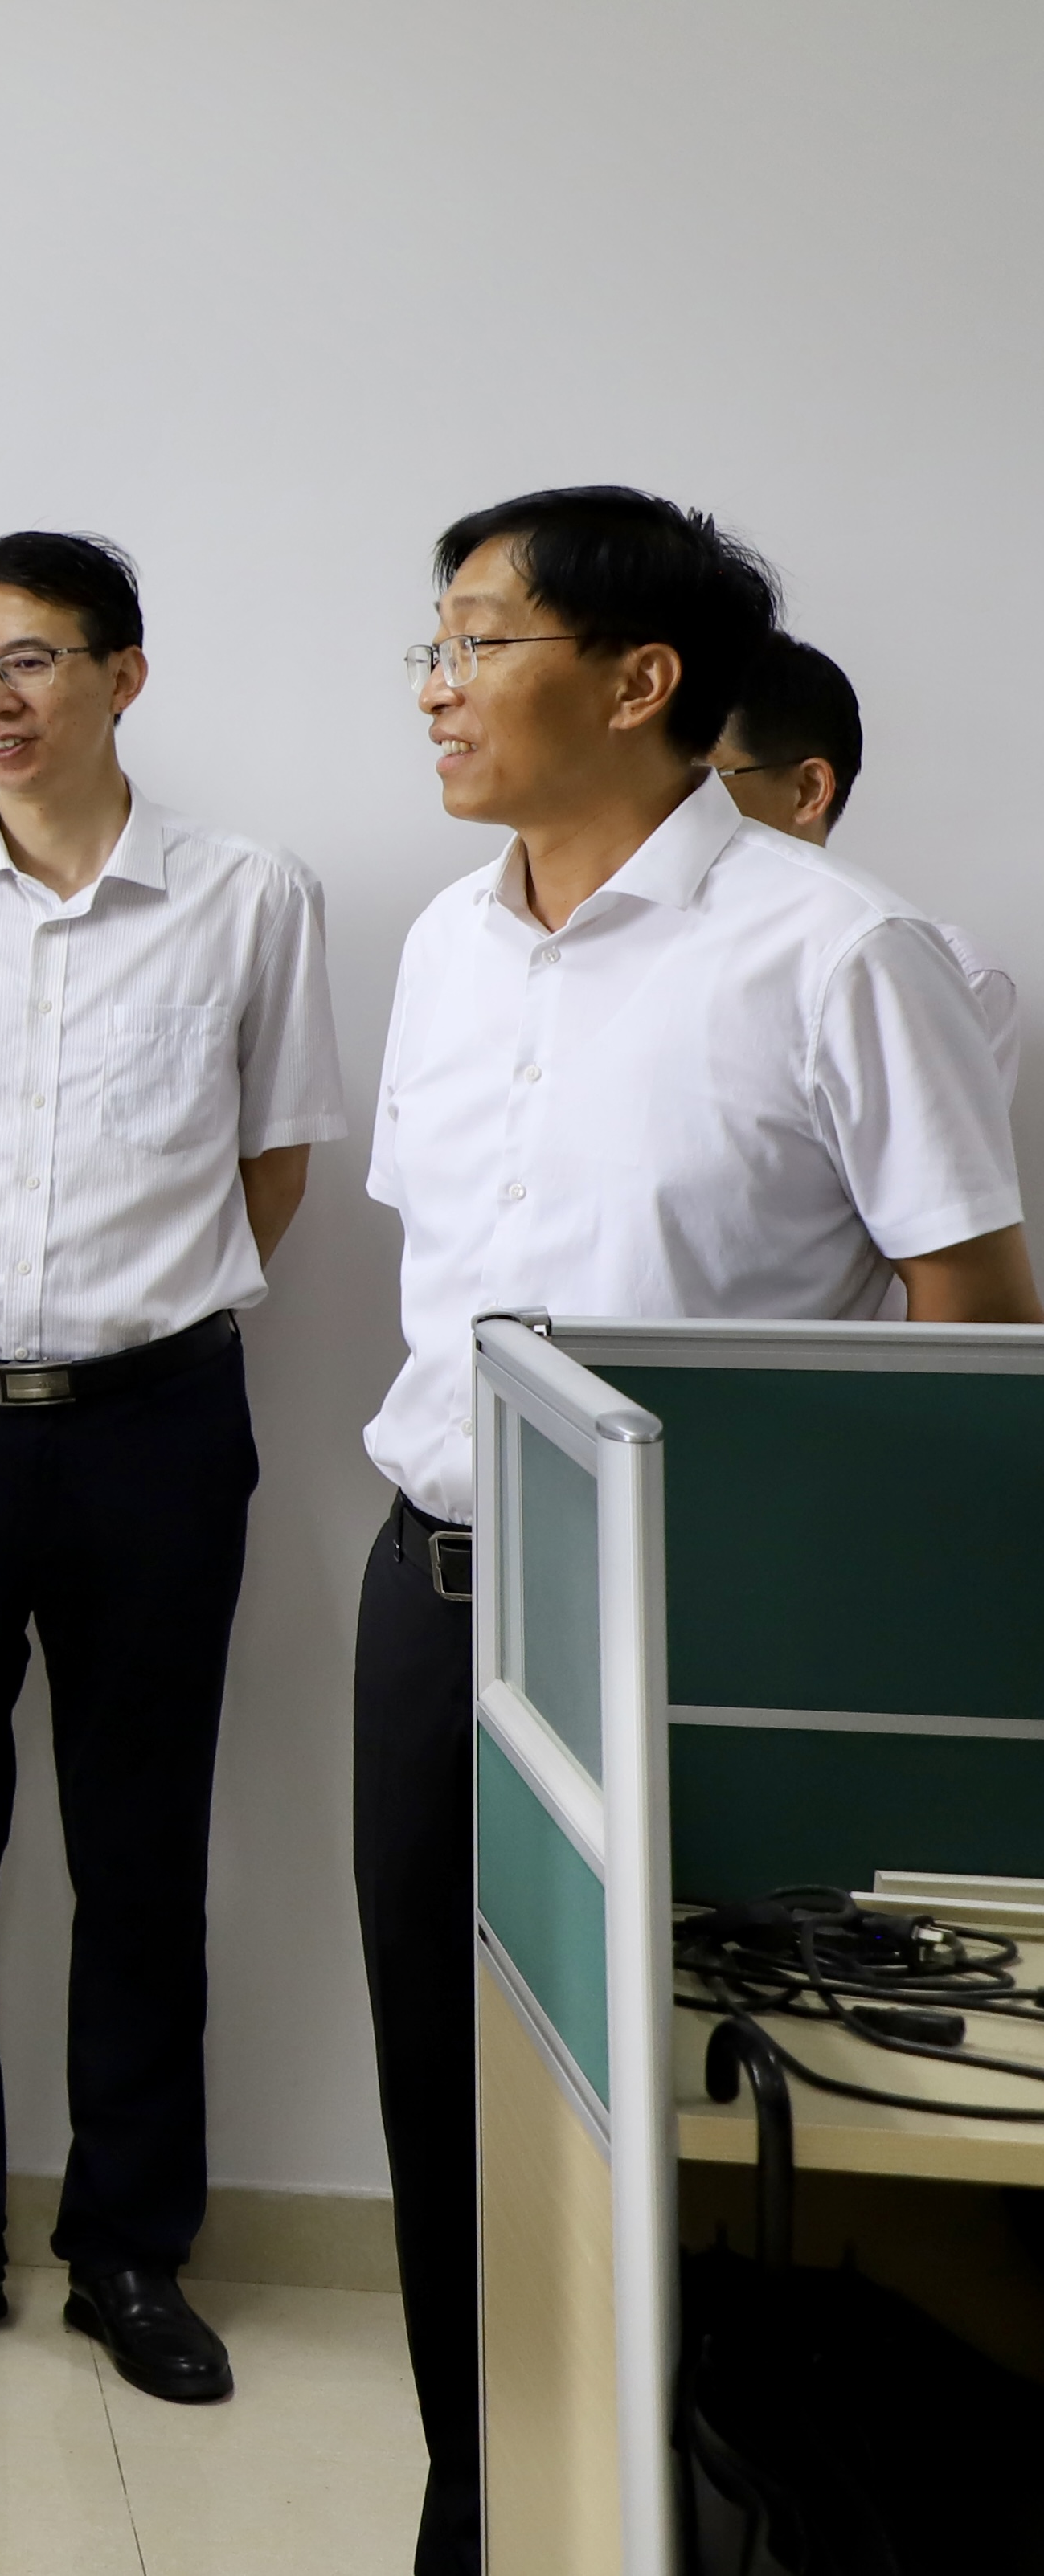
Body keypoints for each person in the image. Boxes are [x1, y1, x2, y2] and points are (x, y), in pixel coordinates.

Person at [361, 489, 1038, 2573]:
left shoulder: (838, 951)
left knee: (673, 2122)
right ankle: (478, 2514)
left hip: (690, 1628)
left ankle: (688, 2520)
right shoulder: (445, 941)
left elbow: (970, 1314)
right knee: (445, 2097)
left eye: (479, 641)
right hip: (435, 1584)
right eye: (432, 643)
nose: (435, 687)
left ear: (638, 680)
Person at [0, 534, 347, 2403]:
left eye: (30, 659)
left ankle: (128, 2249)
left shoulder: (249, 895)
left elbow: (273, 1162)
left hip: (153, 1426)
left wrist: (130, 1311)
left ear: (124, 674)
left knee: (142, 1851)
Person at [713, 635, 1017, 1089]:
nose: (667, 808)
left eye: (704, 779)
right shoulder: (619, 938)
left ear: (808, 791)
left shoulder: (948, 972)